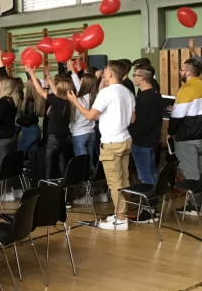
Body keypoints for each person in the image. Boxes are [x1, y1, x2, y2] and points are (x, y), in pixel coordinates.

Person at [67, 61, 135, 230]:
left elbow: (90, 116)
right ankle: (122, 214)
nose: (103, 73)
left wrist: (75, 102)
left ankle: (120, 219)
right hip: (125, 139)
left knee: (114, 183)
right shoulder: (127, 91)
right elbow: (132, 119)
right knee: (124, 180)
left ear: (111, 74)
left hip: (111, 142)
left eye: (105, 71)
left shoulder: (106, 93)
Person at [128, 64, 163, 222]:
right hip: (152, 140)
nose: (133, 77)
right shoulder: (156, 94)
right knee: (151, 174)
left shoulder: (143, 97)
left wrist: (131, 135)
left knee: (145, 176)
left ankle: (149, 210)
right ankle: (153, 208)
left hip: (142, 142)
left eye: (135, 75)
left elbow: (140, 123)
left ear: (142, 78)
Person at [26, 65, 74, 180]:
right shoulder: (70, 102)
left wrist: (32, 74)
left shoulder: (57, 102)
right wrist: (48, 76)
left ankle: (48, 188)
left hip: (53, 140)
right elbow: (56, 91)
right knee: (63, 168)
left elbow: (40, 91)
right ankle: (65, 189)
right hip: (66, 139)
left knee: (48, 169)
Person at [168, 57, 202, 216]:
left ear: (188, 72)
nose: (180, 71)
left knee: (191, 172)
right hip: (200, 135)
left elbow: (178, 116)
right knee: (200, 170)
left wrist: (171, 131)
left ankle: (194, 206)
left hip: (186, 137)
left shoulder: (186, 89)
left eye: (182, 69)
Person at [70, 69, 98, 172]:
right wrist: (73, 73)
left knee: (81, 160)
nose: (80, 82)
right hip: (91, 131)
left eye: (81, 80)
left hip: (79, 133)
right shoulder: (94, 96)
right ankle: (91, 180)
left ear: (85, 83)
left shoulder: (80, 99)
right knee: (90, 158)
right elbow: (78, 87)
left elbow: (75, 118)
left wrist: (70, 125)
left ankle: (84, 183)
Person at [16, 78, 45, 156]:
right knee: (33, 157)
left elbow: (27, 121)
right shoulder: (38, 100)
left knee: (19, 154)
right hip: (35, 129)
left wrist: (17, 120)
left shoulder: (30, 101)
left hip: (29, 130)